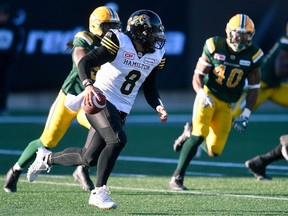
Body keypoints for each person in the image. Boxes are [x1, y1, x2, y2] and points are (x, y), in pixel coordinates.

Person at [26, 9, 168, 210]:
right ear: (140, 32)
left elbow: (150, 87)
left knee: (88, 157)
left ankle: (46, 158)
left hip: (122, 107)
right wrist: (88, 85)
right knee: (118, 139)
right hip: (100, 98)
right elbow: (85, 61)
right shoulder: (119, 41)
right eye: (153, 32)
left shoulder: (156, 55)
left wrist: (158, 105)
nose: (157, 37)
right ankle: (98, 192)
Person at [3, 6, 121, 193]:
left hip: (89, 100)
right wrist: (87, 76)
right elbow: (79, 54)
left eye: (114, 26)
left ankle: (82, 169)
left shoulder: (117, 44)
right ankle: (15, 170)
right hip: (70, 96)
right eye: (108, 26)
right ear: (96, 26)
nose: (112, 31)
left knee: (102, 131)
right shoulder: (86, 37)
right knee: (47, 140)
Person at [169, 14, 264, 191]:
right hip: (209, 95)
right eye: (238, 35)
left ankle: (189, 134)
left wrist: (246, 114)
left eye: (245, 35)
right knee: (200, 134)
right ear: (229, 33)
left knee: (214, 150)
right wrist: (201, 94)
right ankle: (177, 177)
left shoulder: (254, 55)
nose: (241, 39)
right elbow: (197, 75)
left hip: (227, 103)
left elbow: (254, 88)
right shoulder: (215, 45)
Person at [173, 21, 288, 152]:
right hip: (262, 86)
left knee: (233, 119)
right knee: (233, 117)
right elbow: (280, 69)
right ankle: (195, 131)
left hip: (276, 86)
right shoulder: (285, 41)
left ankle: (262, 161)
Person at [0, 2, 25, 115]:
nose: (2, 16)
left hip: (7, 61)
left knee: (5, 84)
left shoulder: (14, 28)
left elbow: (17, 45)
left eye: (4, 14)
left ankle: (3, 107)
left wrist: (11, 56)